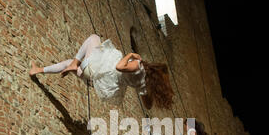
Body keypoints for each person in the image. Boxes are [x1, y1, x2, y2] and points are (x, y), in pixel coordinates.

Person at [29, 34, 173, 110]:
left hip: (96, 68)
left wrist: (131, 55)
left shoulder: (138, 65)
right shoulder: (143, 87)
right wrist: (149, 94)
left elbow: (119, 66)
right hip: (95, 80)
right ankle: (37, 70)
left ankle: (74, 63)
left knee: (94, 38)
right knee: (67, 63)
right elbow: (148, 106)